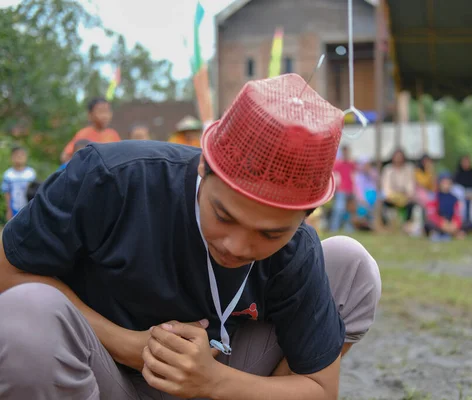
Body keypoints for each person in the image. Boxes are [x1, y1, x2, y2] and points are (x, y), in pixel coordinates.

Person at [0, 73, 381, 400]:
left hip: (222, 373)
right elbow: (7, 270)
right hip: (103, 375)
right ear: (203, 163)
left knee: (351, 264)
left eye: (270, 233)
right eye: (223, 215)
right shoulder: (113, 179)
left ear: (306, 216)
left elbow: (320, 388)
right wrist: (126, 344)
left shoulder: (297, 251)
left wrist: (215, 381)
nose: (237, 246)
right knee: (25, 316)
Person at [60, 97, 121, 163]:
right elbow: (65, 156)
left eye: (107, 111)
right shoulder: (83, 134)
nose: (105, 116)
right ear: (90, 115)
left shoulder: (113, 134)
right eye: (100, 111)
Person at [381, 149, 416, 227]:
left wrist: (408, 194)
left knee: (411, 204)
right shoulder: (388, 169)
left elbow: (410, 184)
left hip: (405, 197)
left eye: (400, 157)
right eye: (396, 157)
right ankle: (386, 226)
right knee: (382, 204)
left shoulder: (408, 169)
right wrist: (389, 195)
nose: (398, 159)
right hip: (391, 196)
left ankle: (407, 225)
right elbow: (386, 185)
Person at [425, 172, 464, 241]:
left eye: (448, 183)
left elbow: (458, 214)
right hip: (439, 222)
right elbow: (431, 214)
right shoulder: (434, 196)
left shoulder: (454, 198)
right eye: (444, 183)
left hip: (451, 222)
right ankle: (450, 233)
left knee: (468, 223)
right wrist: (441, 222)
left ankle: (451, 232)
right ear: (439, 183)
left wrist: (455, 224)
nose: (446, 185)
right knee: (428, 224)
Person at [1, 146, 36, 221]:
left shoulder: (30, 173)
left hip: (28, 207)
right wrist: (8, 209)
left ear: (26, 157)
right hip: (14, 208)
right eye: (16, 155)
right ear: (12, 158)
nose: (19, 157)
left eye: (22, 155)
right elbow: (7, 193)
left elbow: (34, 191)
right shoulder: (8, 174)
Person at [329, 145, 356, 231]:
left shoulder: (351, 164)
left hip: (350, 190)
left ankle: (348, 228)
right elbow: (334, 175)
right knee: (339, 209)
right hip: (341, 190)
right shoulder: (338, 163)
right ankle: (334, 228)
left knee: (350, 211)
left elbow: (354, 175)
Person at [454, 154, 472, 221]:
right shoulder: (457, 175)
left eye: (468, 161)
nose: (466, 163)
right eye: (464, 161)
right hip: (461, 197)